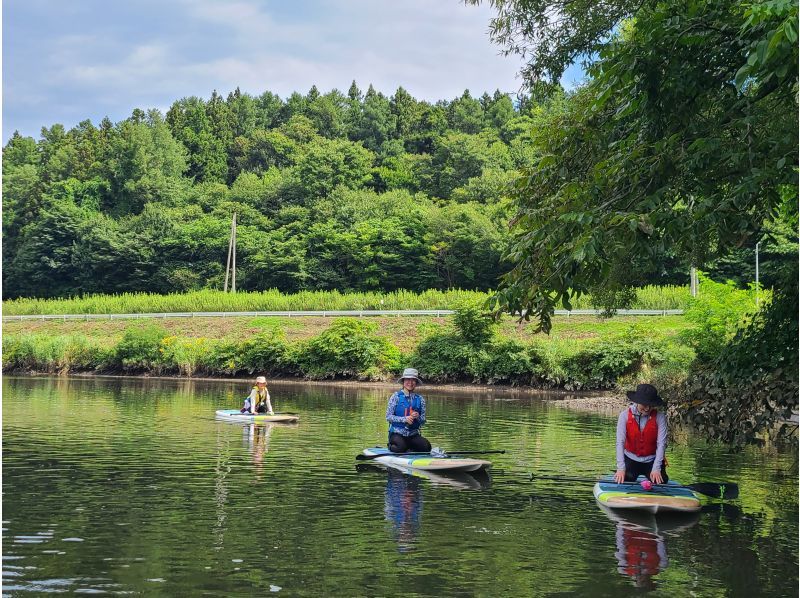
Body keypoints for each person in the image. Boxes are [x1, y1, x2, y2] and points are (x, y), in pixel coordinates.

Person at [614, 383, 668, 484]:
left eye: (650, 405)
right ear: (637, 402)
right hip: (631, 458)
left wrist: (656, 468)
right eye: (644, 404)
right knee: (626, 479)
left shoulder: (660, 417)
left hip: (652, 460)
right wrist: (621, 468)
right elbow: (620, 443)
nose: (647, 408)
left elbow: (662, 444)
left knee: (661, 481)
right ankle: (623, 472)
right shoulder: (624, 416)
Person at [386, 368, 431, 453]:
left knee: (427, 447)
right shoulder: (396, 397)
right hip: (397, 434)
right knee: (400, 447)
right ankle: (391, 446)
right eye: (408, 379)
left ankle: (409, 448)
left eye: (413, 380)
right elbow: (388, 417)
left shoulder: (420, 399)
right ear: (403, 381)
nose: (410, 382)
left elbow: (423, 421)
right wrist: (404, 419)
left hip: (413, 435)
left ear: (416, 383)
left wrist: (418, 417)